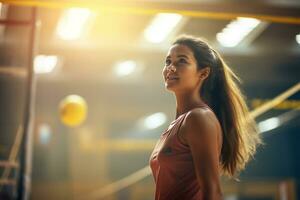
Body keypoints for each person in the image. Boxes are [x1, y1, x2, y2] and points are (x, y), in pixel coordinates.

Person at [149, 35, 261, 200]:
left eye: (181, 61)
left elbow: (213, 192)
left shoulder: (198, 118)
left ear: (203, 73)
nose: (171, 67)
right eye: (168, 61)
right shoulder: (177, 124)